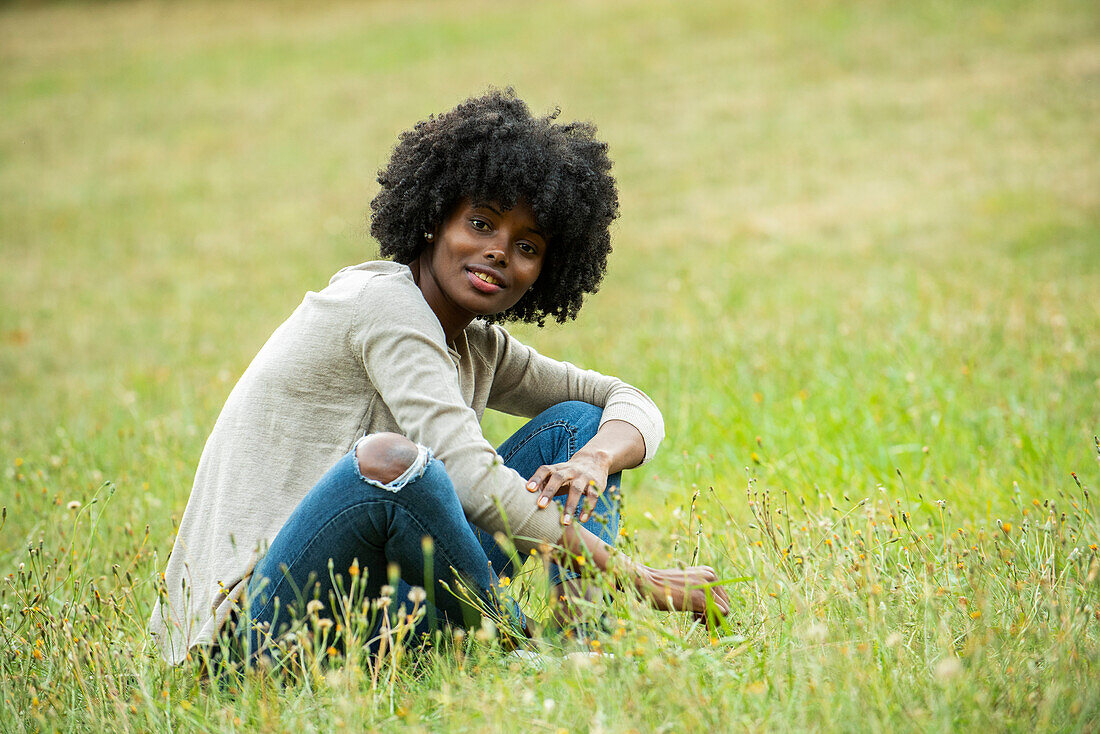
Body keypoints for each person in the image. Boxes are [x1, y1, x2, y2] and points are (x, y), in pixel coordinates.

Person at [148, 89, 730, 666]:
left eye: (526, 245)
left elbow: (624, 400)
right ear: (433, 220)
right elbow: (468, 476)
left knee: (576, 426)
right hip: (255, 626)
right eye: (480, 223)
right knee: (395, 466)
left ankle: (585, 638)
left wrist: (596, 458)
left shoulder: (476, 344)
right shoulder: (382, 306)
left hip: (367, 608)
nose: (499, 251)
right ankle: (520, 649)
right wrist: (640, 578)